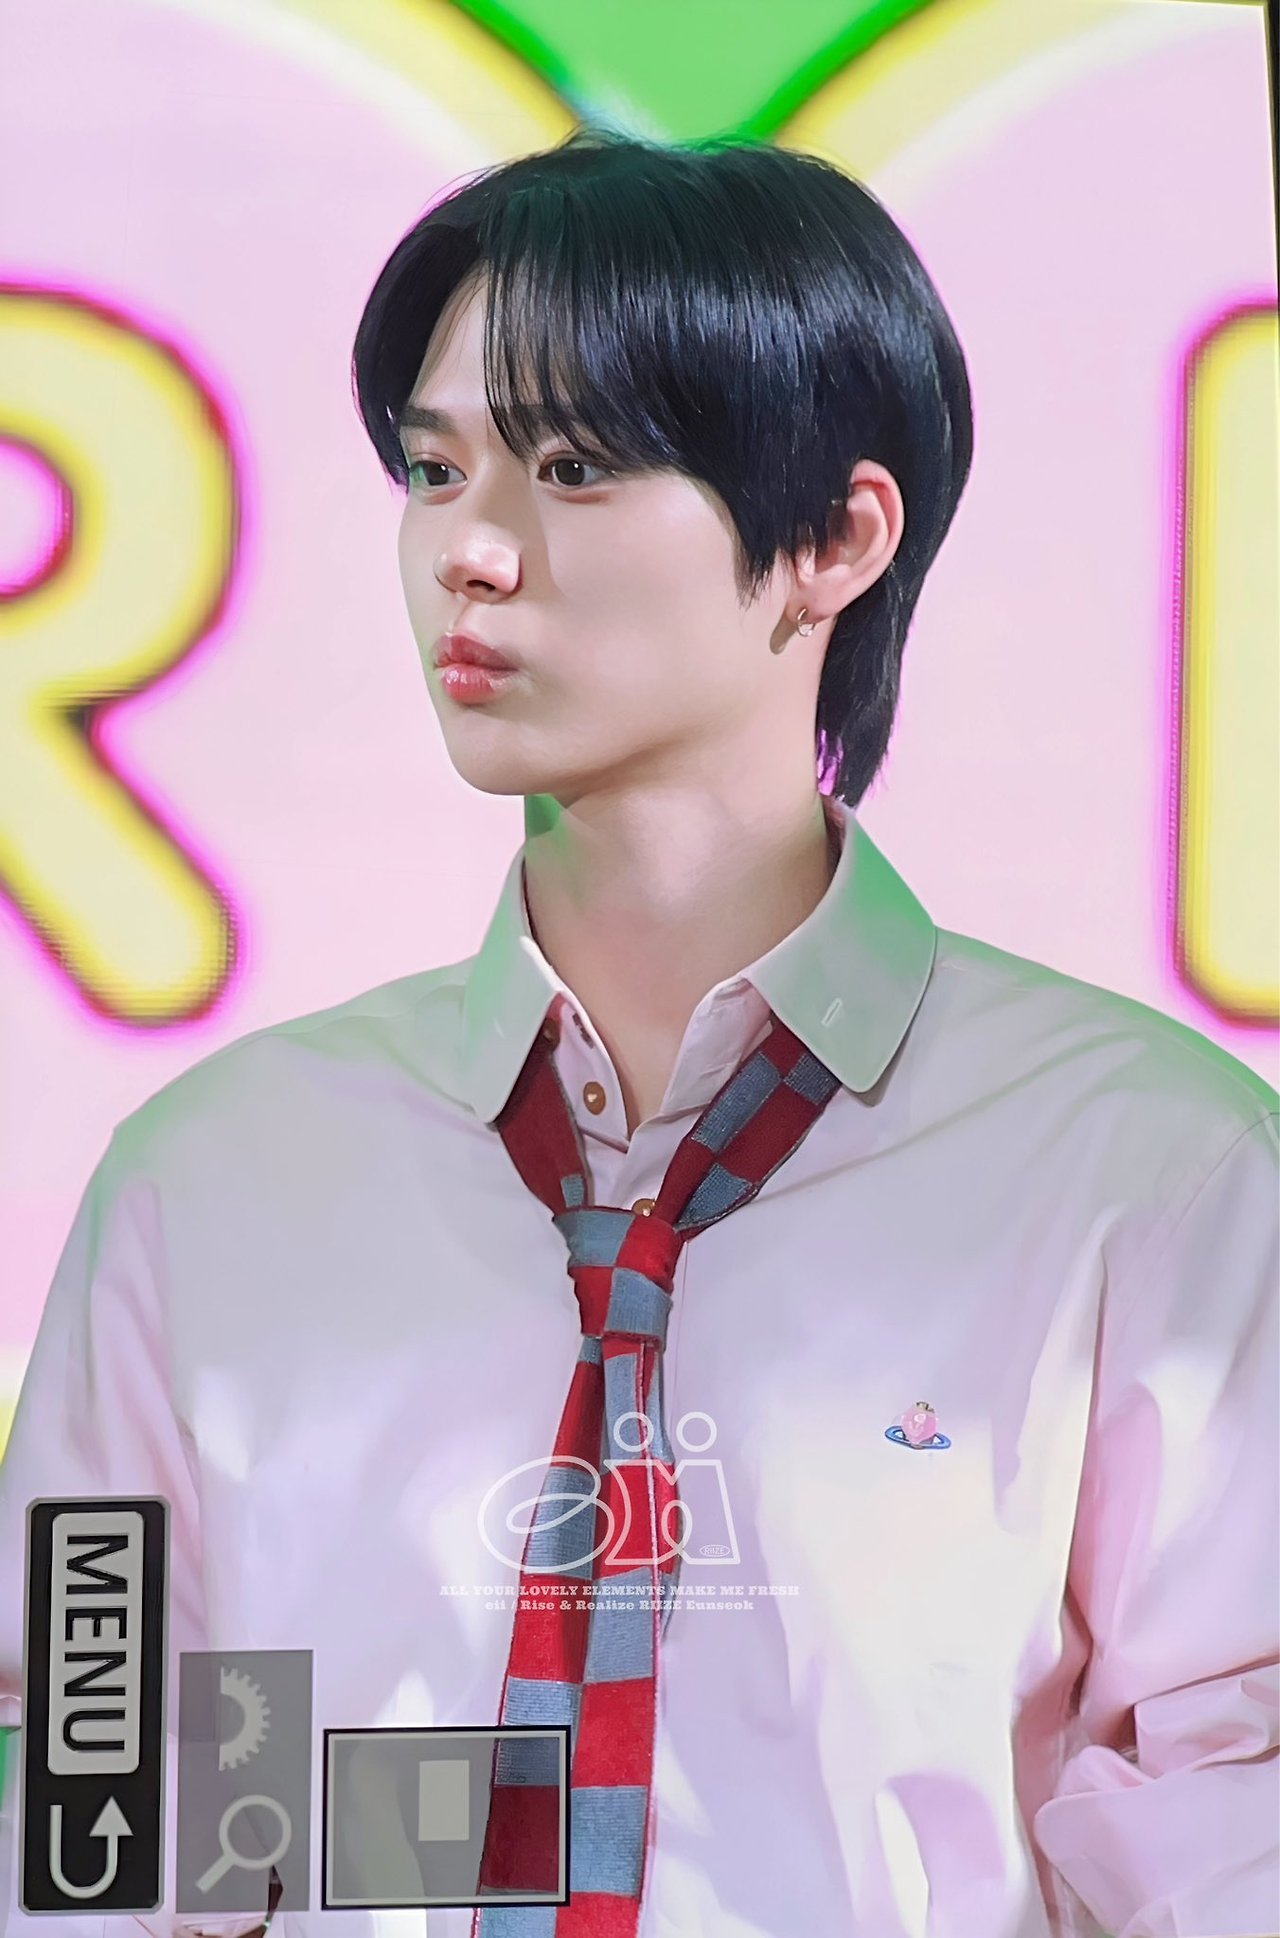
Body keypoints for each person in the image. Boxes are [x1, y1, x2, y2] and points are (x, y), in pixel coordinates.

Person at [1, 126, 1276, 1938]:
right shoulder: (213, 1192)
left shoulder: (1145, 1175)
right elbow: (116, 1830)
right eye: (435, 469)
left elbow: (1223, 1819)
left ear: (834, 537)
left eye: (575, 467)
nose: (471, 553)